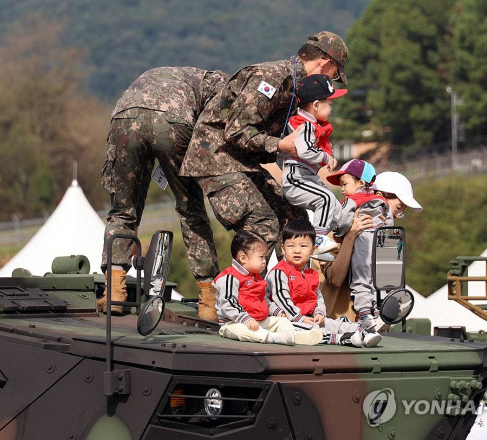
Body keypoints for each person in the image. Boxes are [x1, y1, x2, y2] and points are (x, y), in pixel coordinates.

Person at [180, 31, 350, 261]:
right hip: (216, 158)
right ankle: (246, 293)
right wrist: (281, 145)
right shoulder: (271, 77)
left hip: (242, 161)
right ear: (325, 64)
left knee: (296, 221)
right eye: (335, 75)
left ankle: (288, 288)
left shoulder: (296, 88)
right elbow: (236, 131)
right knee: (263, 224)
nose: (331, 82)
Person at [99, 67, 230, 317]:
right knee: (191, 210)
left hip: (125, 119)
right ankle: (208, 302)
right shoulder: (220, 85)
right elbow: (216, 129)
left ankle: (114, 292)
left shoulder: (169, 75)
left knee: (122, 211)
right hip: (173, 120)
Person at [318, 171, 423, 322]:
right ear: (378, 198)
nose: (395, 216)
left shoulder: (386, 240)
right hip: (335, 329)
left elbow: (389, 285)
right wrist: (351, 236)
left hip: (368, 329)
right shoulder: (332, 237)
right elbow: (336, 279)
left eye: (402, 212)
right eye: (398, 208)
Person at [266, 218, 382, 347]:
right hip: (288, 319)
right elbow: (282, 300)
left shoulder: (311, 274)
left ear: (313, 249)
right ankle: (342, 339)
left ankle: (362, 332)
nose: (297, 251)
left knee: (332, 323)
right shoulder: (279, 272)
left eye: (303, 246)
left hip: (309, 317)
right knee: (310, 332)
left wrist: (319, 313)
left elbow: (318, 298)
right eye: (291, 246)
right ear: (283, 249)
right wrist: (300, 318)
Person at [279, 73, 347, 260]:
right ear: (316, 105)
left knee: (333, 204)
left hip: (307, 176)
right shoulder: (306, 125)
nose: (331, 107)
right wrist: (326, 157)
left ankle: (331, 238)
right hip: (296, 178)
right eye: (329, 103)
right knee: (324, 198)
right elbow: (304, 150)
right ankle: (318, 241)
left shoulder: (314, 124)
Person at [214, 230, 324, 346]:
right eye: (261, 257)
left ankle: (294, 335)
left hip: (259, 321)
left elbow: (264, 300)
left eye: (265, 257)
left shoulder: (257, 278)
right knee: (241, 331)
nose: (264, 262)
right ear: (243, 258)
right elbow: (228, 303)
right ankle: (274, 337)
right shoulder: (229, 277)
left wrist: (277, 311)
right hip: (235, 322)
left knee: (282, 322)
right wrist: (245, 318)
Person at [326, 159, 390, 332]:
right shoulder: (381, 200)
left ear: (360, 182)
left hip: (362, 248)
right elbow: (389, 221)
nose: (342, 189)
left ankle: (364, 315)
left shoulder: (352, 201)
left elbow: (343, 220)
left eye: (344, 183)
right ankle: (377, 313)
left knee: (360, 281)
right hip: (378, 248)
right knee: (376, 281)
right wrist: (386, 229)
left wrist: (339, 232)